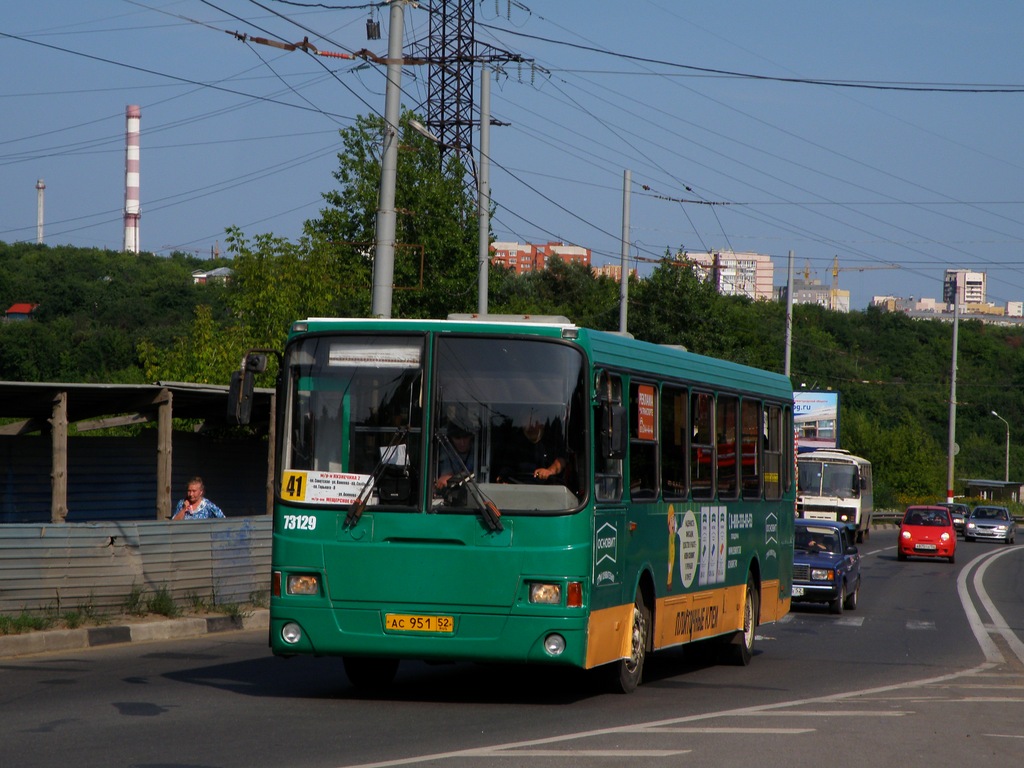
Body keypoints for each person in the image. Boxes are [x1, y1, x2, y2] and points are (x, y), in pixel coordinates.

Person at [497, 417, 565, 483]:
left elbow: (561, 460)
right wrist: (502, 478)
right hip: (518, 489)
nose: (531, 425)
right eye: (527, 421)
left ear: (542, 422)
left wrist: (549, 471)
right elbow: (507, 466)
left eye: (535, 421)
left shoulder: (551, 440)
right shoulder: (514, 442)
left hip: (549, 490)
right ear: (522, 422)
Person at [436, 422, 476, 491]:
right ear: (450, 438)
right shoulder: (445, 450)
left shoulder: (479, 452)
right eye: (457, 438)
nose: (462, 443)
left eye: (465, 437)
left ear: (471, 437)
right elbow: (446, 474)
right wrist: (445, 477)